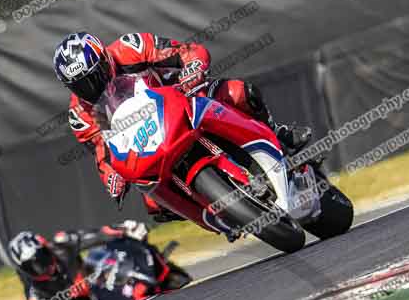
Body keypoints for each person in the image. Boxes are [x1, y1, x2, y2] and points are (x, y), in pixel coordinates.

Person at [52, 31, 312, 222]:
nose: (92, 86)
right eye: (81, 85)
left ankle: (277, 133)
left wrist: (193, 67)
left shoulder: (130, 48)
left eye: (95, 75)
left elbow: (186, 51)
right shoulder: (80, 114)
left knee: (239, 93)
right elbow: (103, 152)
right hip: (146, 144)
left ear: (104, 59)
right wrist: (112, 177)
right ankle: (218, 215)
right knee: (154, 203)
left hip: (184, 98)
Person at [7, 220, 150, 300]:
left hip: (92, 286)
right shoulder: (33, 292)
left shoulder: (60, 242)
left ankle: (142, 280)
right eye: (32, 267)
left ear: (45, 247)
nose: (41, 268)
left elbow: (97, 234)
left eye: (41, 258)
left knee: (101, 256)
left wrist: (125, 228)